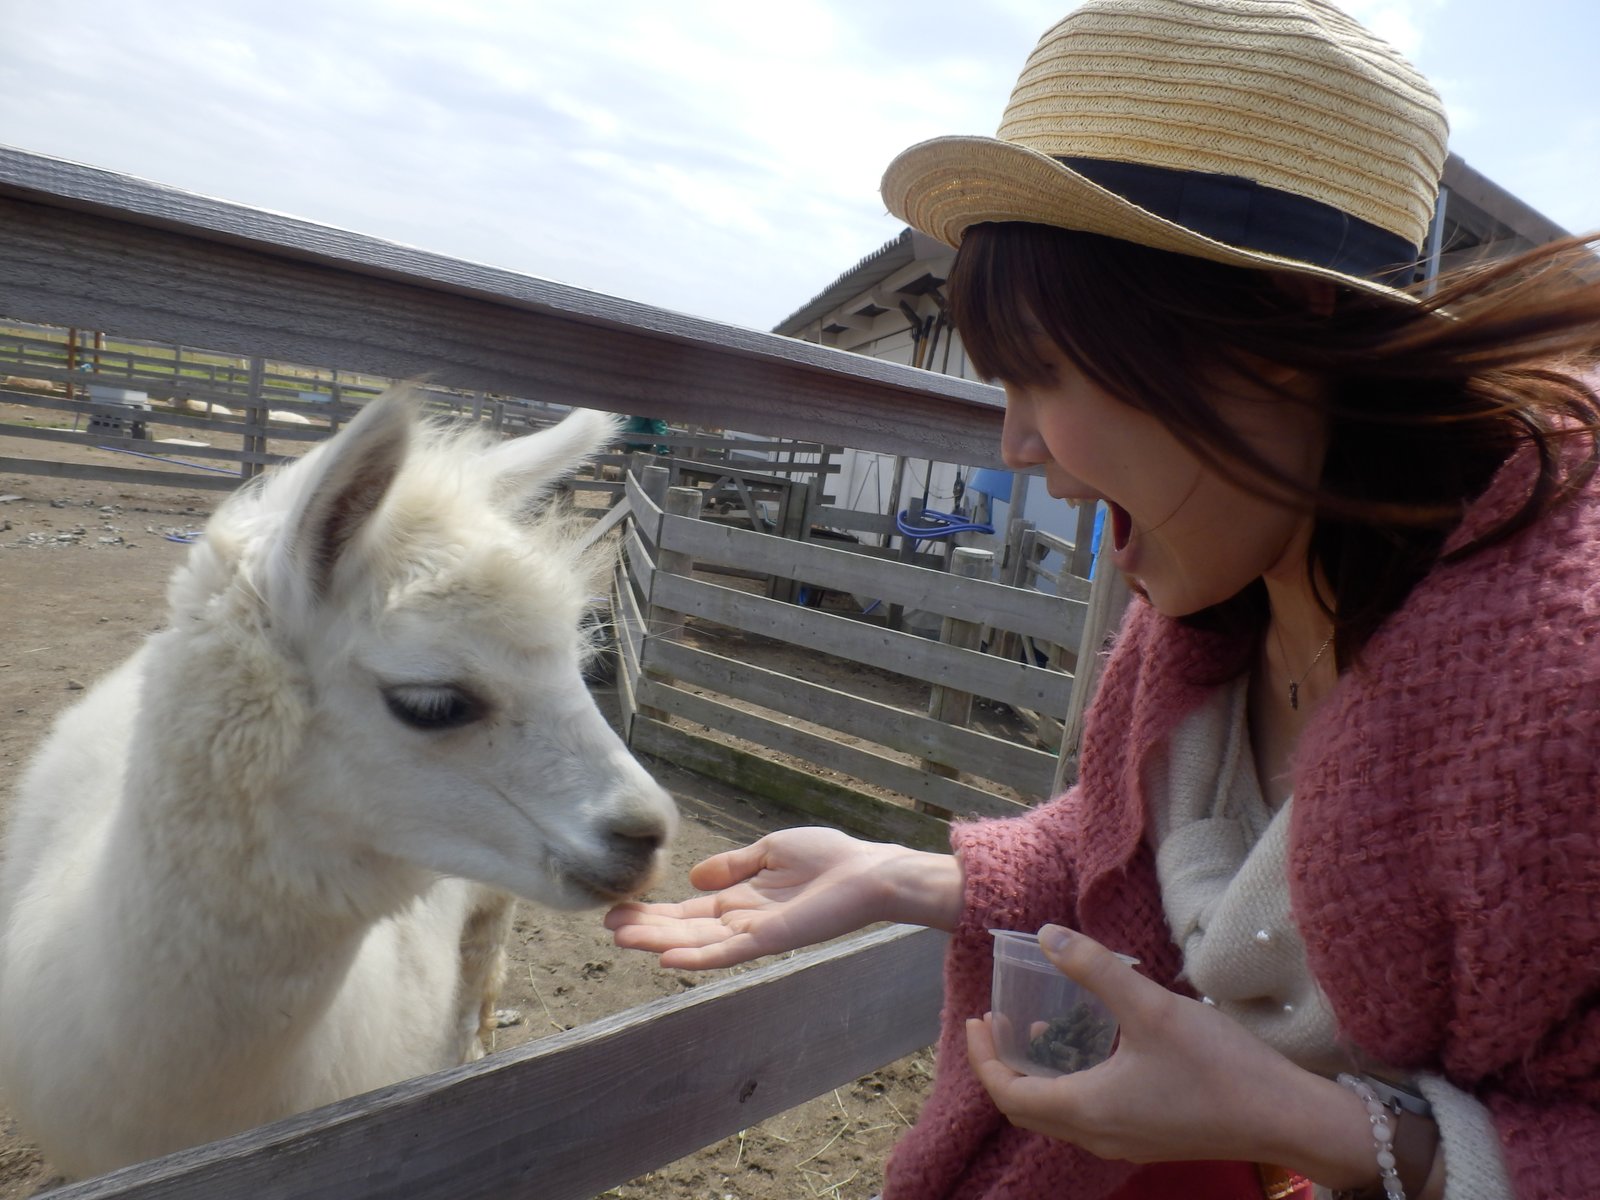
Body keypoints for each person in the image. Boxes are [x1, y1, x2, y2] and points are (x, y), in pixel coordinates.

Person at [607, 1, 1600, 1196]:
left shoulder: (1566, 704)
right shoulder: (1202, 622)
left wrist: (1338, 1137)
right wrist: (915, 876)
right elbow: (1142, 849)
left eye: (1044, 369)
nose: (1015, 446)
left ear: (1280, 328)